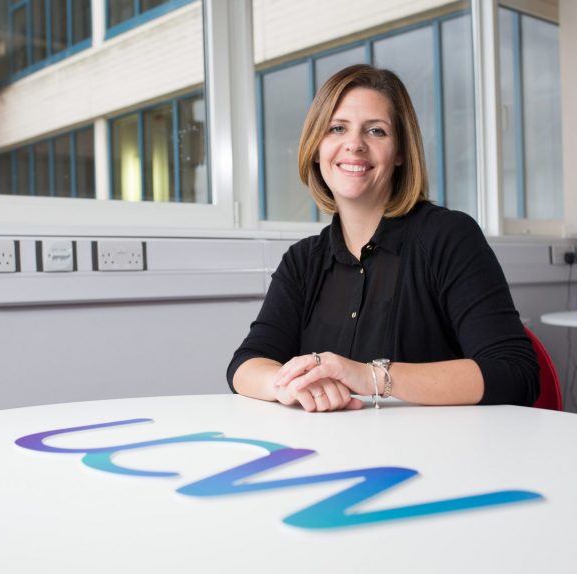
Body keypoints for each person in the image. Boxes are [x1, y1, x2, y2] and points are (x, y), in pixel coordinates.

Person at [227, 64, 538, 412]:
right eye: (337, 128)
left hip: (436, 445)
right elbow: (245, 365)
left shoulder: (449, 236)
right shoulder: (302, 261)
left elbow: (515, 372)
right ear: (316, 148)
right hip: (330, 445)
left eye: (376, 131)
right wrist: (287, 385)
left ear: (401, 152)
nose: (354, 145)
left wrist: (371, 377)